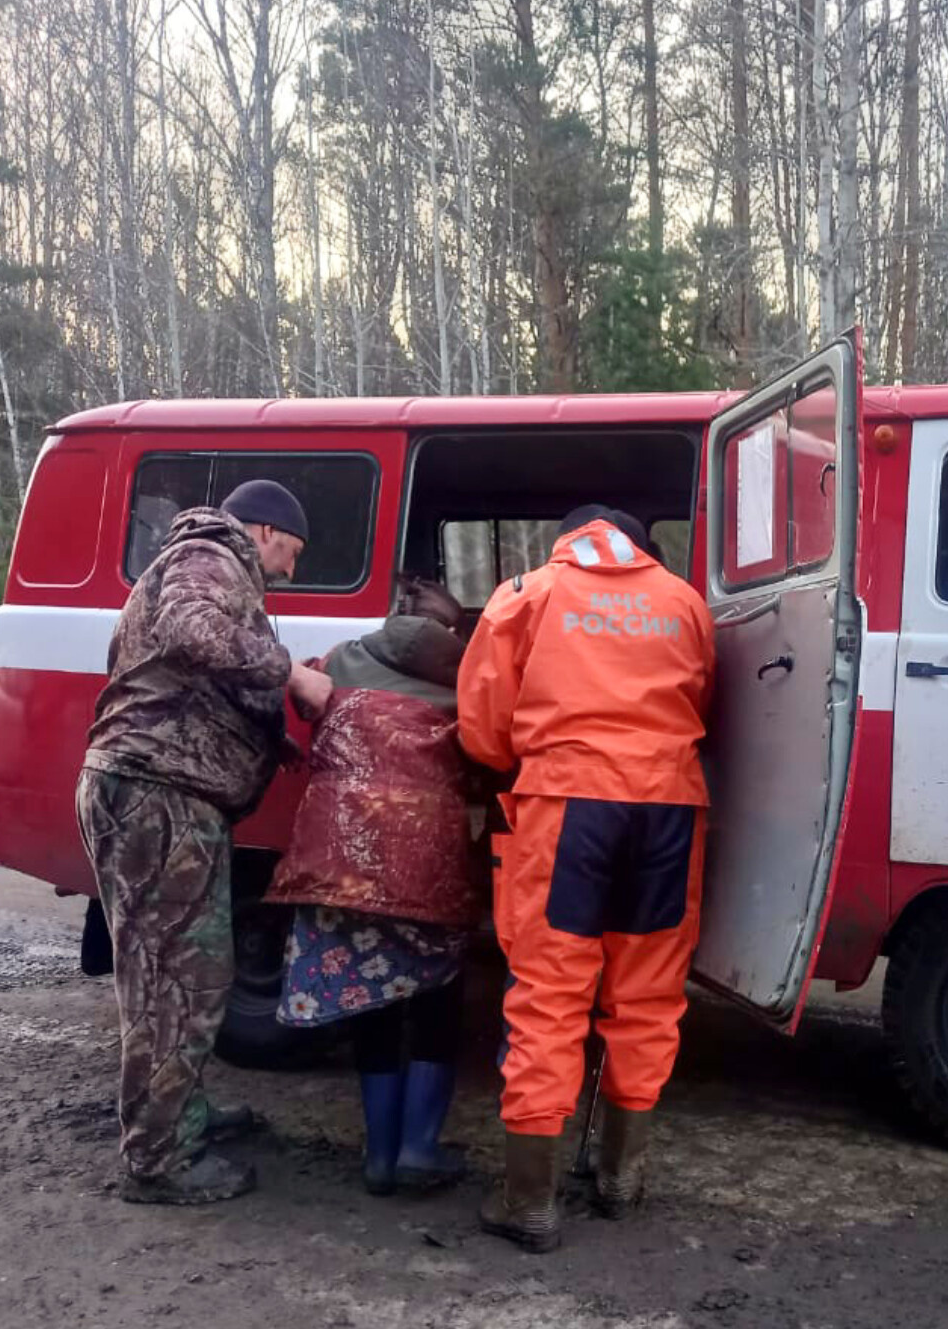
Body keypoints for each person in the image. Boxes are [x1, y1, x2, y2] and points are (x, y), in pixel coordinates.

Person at [457, 505, 716, 1253]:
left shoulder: (527, 594)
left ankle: (530, 1202)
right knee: (647, 996)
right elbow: (700, 702)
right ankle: (620, 1181)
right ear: (639, 541)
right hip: (668, 808)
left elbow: (482, 724)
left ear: (566, 538)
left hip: (568, 810)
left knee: (548, 994)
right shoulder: (684, 601)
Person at [76, 479, 332, 1205]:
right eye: (291, 550)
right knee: (173, 983)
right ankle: (159, 1161)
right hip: (157, 796)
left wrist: (268, 735)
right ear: (261, 530)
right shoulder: (208, 556)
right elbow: (193, 634)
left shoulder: (208, 566)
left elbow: (192, 675)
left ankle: (177, 1116)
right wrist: (290, 679)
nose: (289, 568)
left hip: (171, 794)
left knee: (193, 975)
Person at [266, 578, 481, 1196]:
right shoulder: (467, 681)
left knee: (371, 1002)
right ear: (452, 631)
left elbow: (304, 708)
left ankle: (379, 1158)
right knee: (436, 1000)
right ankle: (419, 1148)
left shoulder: (339, 661)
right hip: (424, 866)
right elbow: (490, 759)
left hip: (336, 862)